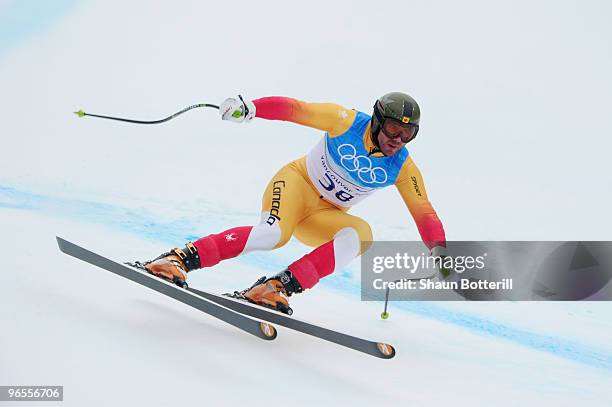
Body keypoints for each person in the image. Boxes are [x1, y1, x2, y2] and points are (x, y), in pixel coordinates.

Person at [138, 93, 446, 314]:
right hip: (295, 187)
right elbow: (296, 109)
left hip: (324, 215)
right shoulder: (345, 121)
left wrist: (440, 251)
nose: (398, 139)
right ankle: (178, 259)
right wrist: (252, 108)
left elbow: (425, 212)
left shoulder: (403, 167)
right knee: (271, 235)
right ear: (377, 121)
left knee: (361, 236)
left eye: (408, 133)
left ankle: (276, 287)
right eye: (393, 129)